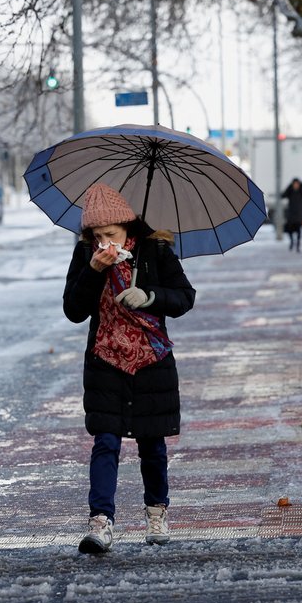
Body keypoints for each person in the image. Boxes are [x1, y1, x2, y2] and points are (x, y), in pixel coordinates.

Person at [62, 183, 196, 554]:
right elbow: (73, 310)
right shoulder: (87, 256)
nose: (104, 243)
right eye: (97, 237)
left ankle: (156, 512)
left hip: (152, 359)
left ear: (128, 229)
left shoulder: (155, 251)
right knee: (105, 441)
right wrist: (92, 270)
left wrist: (149, 296)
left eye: (111, 235)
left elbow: (185, 297)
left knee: (152, 442)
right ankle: (101, 522)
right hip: (105, 360)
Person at [281, 177, 302, 252]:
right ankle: (291, 242)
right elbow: (283, 195)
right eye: (294, 184)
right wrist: (289, 187)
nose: (296, 185)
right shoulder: (290, 191)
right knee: (289, 230)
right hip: (291, 214)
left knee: (299, 231)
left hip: (299, 214)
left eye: (297, 184)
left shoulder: (301, 191)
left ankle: (298, 246)